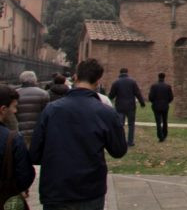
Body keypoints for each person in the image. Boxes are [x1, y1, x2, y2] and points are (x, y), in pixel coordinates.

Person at [31, 58, 127, 210]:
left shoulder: (51, 110)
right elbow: (118, 150)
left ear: (75, 77)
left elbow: (35, 153)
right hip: (89, 189)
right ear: (98, 81)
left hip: (56, 189)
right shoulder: (106, 113)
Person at [0, 85, 35, 209]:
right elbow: (25, 176)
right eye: (14, 106)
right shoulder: (13, 139)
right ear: (3, 109)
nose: (15, 111)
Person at [108, 67, 145, 147]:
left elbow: (111, 95)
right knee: (131, 124)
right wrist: (142, 103)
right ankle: (130, 142)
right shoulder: (132, 82)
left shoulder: (116, 82)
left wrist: (110, 97)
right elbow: (137, 93)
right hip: (131, 106)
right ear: (127, 73)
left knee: (120, 125)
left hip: (120, 106)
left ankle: (120, 141)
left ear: (120, 73)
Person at [16, 70, 49, 147]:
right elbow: (46, 114)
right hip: (37, 131)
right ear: (35, 80)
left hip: (19, 131)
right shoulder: (43, 94)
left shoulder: (15, 93)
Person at [148, 72, 174, 142]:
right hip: (165, 106)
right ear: (164, 77)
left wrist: (154, 102)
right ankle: (164, 134)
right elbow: (171, 97)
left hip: (156, 106)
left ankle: (160, 136)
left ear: (158, 77)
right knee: (165, 121)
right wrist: (166, 102)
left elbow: (150, 97)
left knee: (158, 122)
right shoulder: (168, 86)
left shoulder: (154, 86)